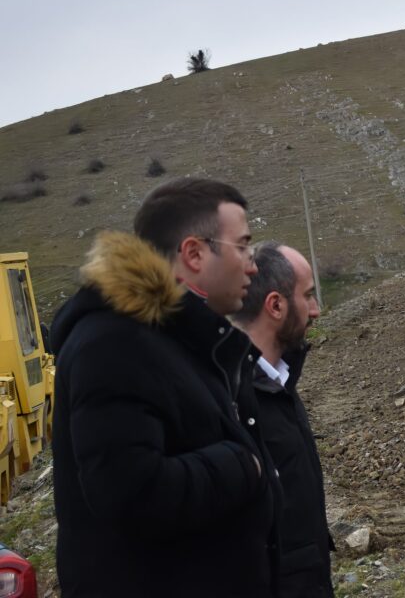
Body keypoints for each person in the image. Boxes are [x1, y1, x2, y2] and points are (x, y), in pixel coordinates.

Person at [50, 178, 276, 597]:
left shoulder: (182, 341)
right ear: (194, 253)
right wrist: (244, 465)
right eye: (243, 246)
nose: (253, 265)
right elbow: (131, 492)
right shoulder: (114, 344)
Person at [233, 242, 334, 598]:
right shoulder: (235, 399)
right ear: (275, 305)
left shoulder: (279, 382)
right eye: (307, 296)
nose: (316, 311)